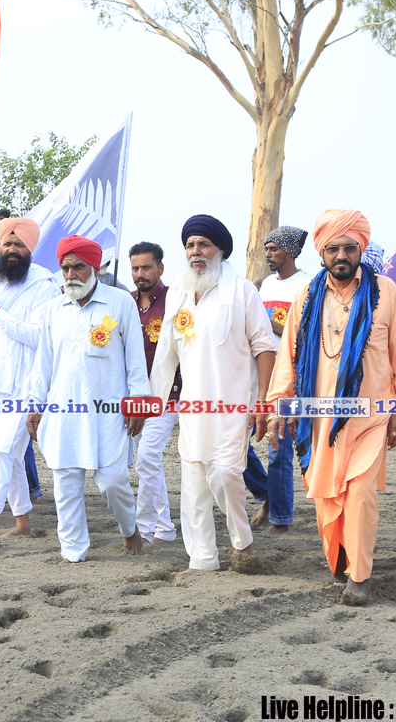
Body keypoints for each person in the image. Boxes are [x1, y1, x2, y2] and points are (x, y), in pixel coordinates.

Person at [265, 209, 396, 605]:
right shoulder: (307, 295)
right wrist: (281, 406)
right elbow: (289, 355)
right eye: (333, 249)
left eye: (349, 248)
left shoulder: (385, 292)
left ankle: (360, 577)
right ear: (322, 253)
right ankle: (341, 559)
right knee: (327, 496)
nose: (341, 255)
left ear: (361, 249)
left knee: (361, 493)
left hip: (372, 415)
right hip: (318, 418)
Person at [150, 216, 275, 572]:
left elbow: (265, 347)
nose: (195, 252)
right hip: (193, 407)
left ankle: (243, 542)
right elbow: (166, 354)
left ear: (220, 251)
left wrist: (263, 401)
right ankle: (202, 559)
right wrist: (154, 402)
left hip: (233, 405)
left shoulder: (243, 291)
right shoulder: (178, 291)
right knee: (193, 484)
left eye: (203, 244)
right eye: (190, 245)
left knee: (224, 475)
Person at [26, 235, 148, 563]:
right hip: (62, 410)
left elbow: (136, 360)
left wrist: (138, 402)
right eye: (65, 268)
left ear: (95, 268)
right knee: (66, 482)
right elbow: (43, 363)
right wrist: (35, 404)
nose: (70, 275)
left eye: (78, 267)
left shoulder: (120, 302)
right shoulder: (53, 309)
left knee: (113, 481)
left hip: (109, 411)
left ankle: (129, 529)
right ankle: (72, 549)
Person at [0, 217, 60, 549]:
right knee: (7, 455)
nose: (12, 249)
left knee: (3, 450)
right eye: (7, 243)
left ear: (30, 248)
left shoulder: (44, 285)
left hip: (26, 386)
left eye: (19, 244)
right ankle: (22, 522)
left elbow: (40, 337)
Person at [245, 226, 310, 535]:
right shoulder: (267, 284)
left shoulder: (307, 285)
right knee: (237, 441)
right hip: (261, 375)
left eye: (273, 249)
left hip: (291, 379)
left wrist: (269, 324)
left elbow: (308, 336)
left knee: (279, 449)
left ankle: (281, 519)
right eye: (266, 249)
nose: (268, 254)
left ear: (291, 252)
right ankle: (268, 495)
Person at [128, 241, 180, 546]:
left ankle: (144, 530)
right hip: (134, 397)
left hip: (167, 394)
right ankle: (165, 528)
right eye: (135, 268)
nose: (140, 274)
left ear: (160, 268)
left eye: (146, 267)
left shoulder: (175, 301)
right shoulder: (126, 302)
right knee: (146, 462)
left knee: (147, 457)